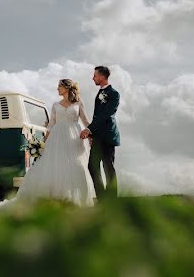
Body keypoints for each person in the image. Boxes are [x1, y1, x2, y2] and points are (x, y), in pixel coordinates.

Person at [16, 79, 96, 206]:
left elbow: (85, 121)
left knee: (76, 165)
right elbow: (51, 125)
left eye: (59, 86)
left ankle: (78, 198)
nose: (57, 89)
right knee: (57, 165)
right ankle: (56, 197)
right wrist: (43, 143)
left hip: (74, 137)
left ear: (67, 87)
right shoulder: (55, 105)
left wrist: (92, 135)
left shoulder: (78, 103)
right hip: (57, 137)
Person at [80, 66, 120, 200]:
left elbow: (105, 115)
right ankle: (102, 198)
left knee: (108, 166)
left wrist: (89, 129)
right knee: (92, 166)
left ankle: (112, 199)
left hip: (108, 135)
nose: (93, 78)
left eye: (95, 76)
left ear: (102, 77)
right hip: (97, 136)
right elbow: (97, 115)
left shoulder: (114, 94)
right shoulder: (100, 93)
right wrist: (91, 135)